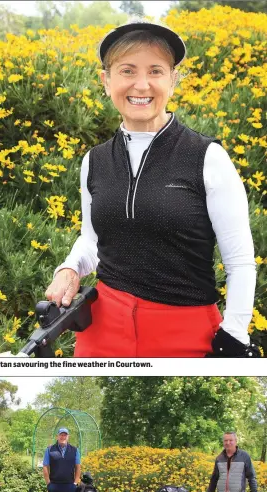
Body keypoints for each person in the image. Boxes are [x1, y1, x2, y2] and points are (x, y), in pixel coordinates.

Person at [45, 21, 258, 358]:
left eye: (155, 71)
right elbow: (91, 240)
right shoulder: (94, 160)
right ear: (106, 81)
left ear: (172, 80)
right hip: (103, 329)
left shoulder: (208, 158)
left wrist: (234, 332)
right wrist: (69, 268)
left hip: (187, 331)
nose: (141, 85)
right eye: (127, 70)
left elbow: (241, 261)